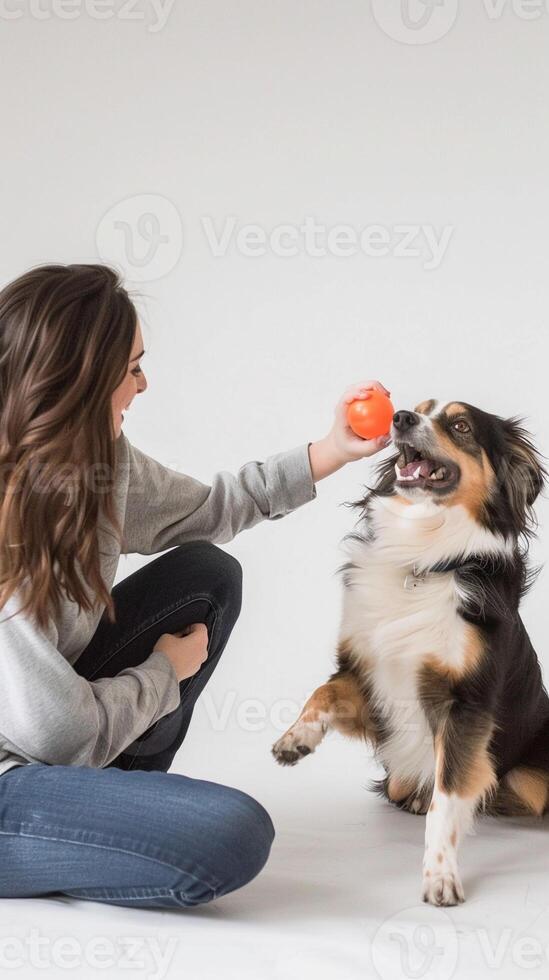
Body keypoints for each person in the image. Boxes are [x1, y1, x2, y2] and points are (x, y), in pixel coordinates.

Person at [0, 263, 391, 909]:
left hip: (45, 731)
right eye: (131, 369)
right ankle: (89, 832)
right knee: (227, 834)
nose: (143, 383)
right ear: (79, 379)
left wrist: (331, 449)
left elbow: (204, 510)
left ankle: (101, 815)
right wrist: (161, 672)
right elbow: (55, 735)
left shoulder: (100, 463)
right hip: (22, 761)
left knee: (205, 575)